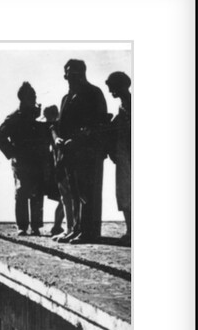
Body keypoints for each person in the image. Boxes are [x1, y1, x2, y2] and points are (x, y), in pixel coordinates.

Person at [53, 59, 109, 244]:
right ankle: (76, 229)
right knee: (75, 193)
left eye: (74, 73)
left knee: (88, 194)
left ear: (82, 73)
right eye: (68, 73)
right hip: (69, 154)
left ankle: (89, 232)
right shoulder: (66, 98)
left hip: (88, 153)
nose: (69, 77)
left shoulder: (94, 93)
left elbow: (100, 123)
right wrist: (58, 139)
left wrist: (76, 140)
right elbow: (59, 125)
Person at [0, 81, 51, 236]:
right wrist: (13, 153)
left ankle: (36, 226)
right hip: (22, 161)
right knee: (22, 192)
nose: (33, 99)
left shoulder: (37, 116)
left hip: (37, 159)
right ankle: (22, 226)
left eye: (34, 96)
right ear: (22, 98)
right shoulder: (14, 118)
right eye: (30, 97)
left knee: (38, 192)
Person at [105, 71, 132, 245]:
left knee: (128, 192)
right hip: (123, 156)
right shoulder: (123, 106)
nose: (109, 91)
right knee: (124, 193)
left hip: (130, 155)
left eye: (111, 87)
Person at [42, 104, 73, 237]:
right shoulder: (56, 127)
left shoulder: (53, 128)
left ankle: (58, 225)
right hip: (60, 165)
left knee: (64, 198)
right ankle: (59, 225)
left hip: (58, 165)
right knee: (65, 197)